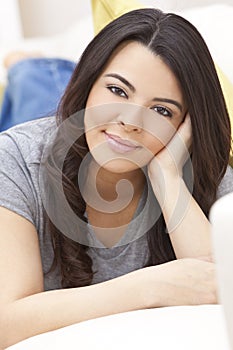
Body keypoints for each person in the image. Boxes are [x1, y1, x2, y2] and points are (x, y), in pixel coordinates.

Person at [0, 8, 233, 348]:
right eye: (118, 91)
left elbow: (217, 286)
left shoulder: (204, 173)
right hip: (53, 128)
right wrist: (150, 287)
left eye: (162, 110)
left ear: (187, 124)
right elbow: (6, 325)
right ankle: (25, 66)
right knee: (35, 87)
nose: (131, 120)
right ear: (89, 82)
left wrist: (167, 176)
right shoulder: (16, 158)